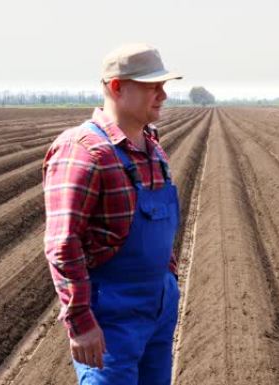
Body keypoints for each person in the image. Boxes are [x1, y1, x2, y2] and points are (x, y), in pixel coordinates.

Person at [42, 43, 182, 385]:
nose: (162, 94)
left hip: (158, 309)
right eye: (152, 86)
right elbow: (63, 243)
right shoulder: (83, 151)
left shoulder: (152, 148)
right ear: (117, 86)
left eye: (163, 85)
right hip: (112, 320)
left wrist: (170, 280)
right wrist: (81, 322)